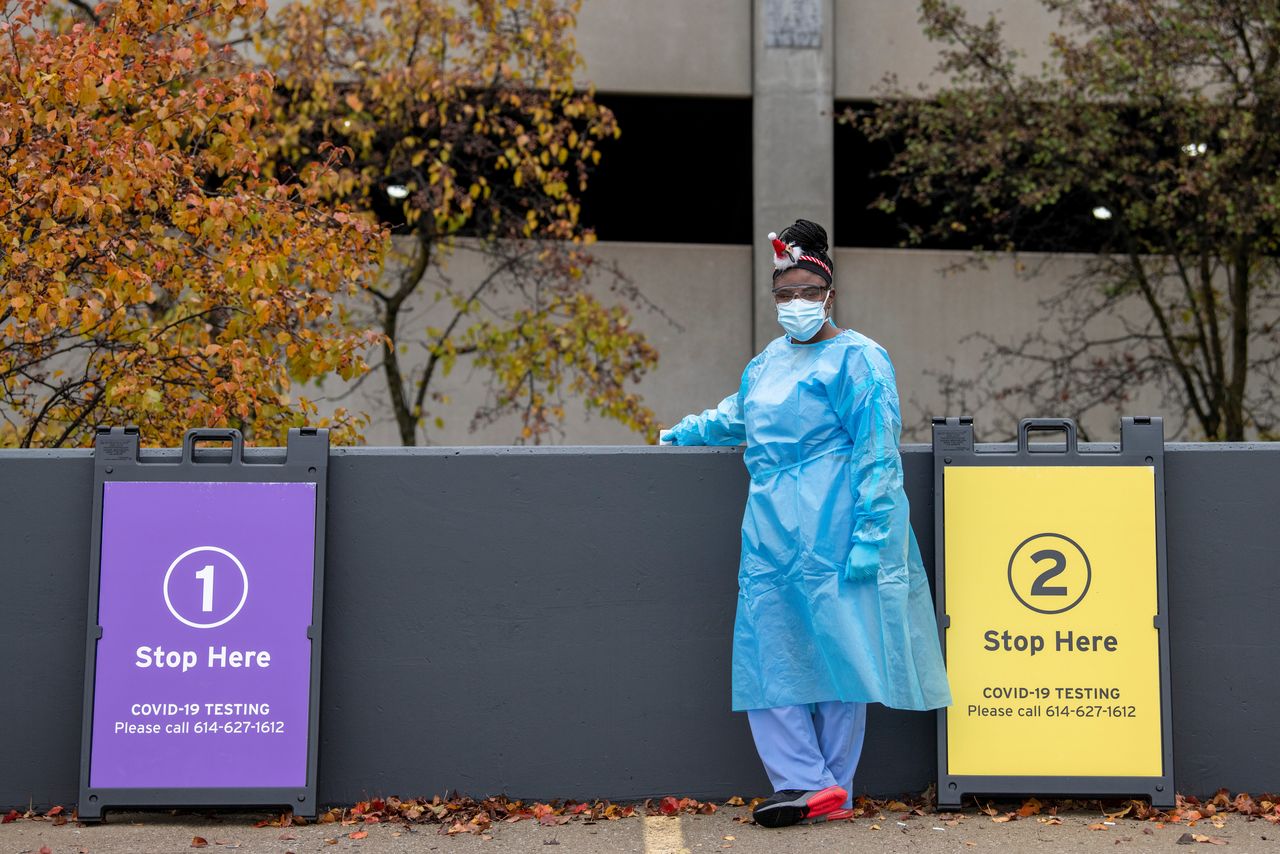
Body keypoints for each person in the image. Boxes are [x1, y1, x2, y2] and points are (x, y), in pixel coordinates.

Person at [661, 219, 951, 828]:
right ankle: (806, 782)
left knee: (838, 654)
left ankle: (828, 790)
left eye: (803, 291)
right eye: (782, 294)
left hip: (835, 524)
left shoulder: (860, 359)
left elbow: (877, 448)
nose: (793, 303)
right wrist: (687, 431)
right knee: (770, 654)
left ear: (828, 294)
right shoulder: (766, 363)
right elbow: (740, 415)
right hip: (770, 529)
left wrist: (873, 533)